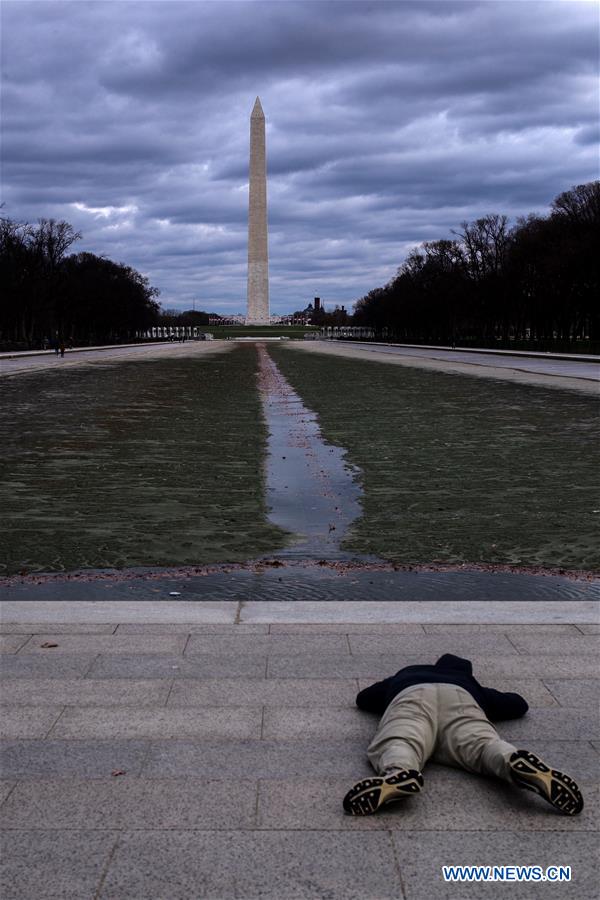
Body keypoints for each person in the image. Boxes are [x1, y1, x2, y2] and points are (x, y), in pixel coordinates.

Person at [343, 653, 583, 817]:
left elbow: (364, 698)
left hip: (412, 694)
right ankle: (511, 760)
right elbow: (518, 705)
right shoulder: (468, 681)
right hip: (460, 697)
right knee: (482, 745)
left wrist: (394, 685)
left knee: (401, 738)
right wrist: (480, 692)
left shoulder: (408, 673)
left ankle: (398, 771)